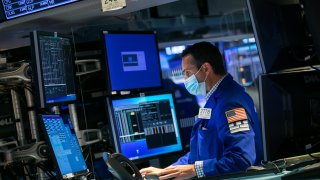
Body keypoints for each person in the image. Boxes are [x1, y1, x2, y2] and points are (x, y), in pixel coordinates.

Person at [140, 42, 263, 179]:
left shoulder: (230, 103)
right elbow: (198, 153)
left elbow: (241, 159)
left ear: (205, 68)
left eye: (187, 73)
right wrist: (165, 172)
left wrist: (195, 170)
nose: (186, 79)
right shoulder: (213, 99)